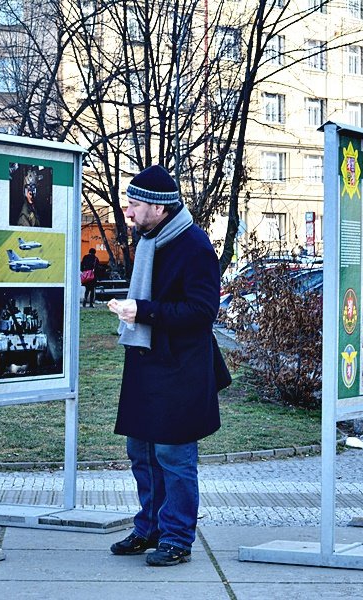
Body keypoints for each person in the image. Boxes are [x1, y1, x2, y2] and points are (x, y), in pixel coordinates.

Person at [106, 164, 231, 567]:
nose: (128, 210)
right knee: (140, 452)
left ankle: (177, 538)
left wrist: (142, 310)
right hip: (146, 369)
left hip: (180, 371)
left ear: (159, 209)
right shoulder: (149, 240)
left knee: (175, 459)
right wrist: (136, 313)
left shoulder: (194, 246)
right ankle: (149, 529)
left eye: (135, 204)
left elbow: (201, 311)